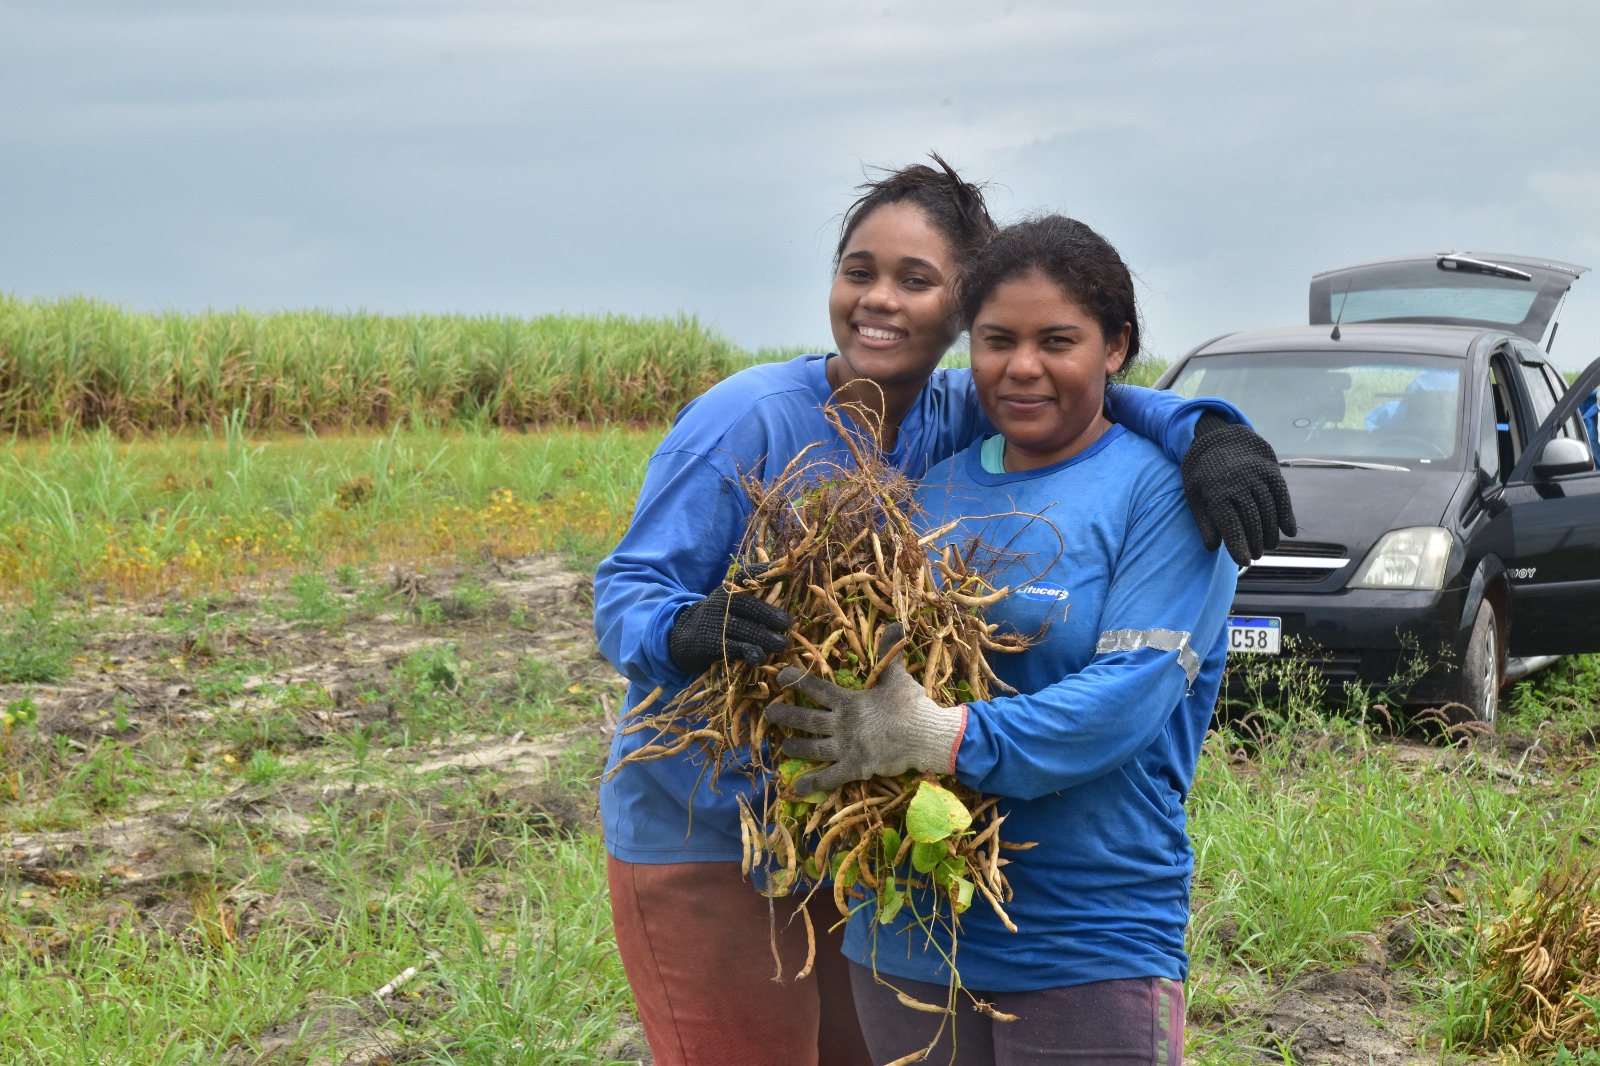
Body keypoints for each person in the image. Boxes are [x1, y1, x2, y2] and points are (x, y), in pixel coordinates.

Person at [593, 162, 1284, 1066]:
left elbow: (1091, 389)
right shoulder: (749, 418)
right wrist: (683, 632)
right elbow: (627, 591)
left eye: (915, 280)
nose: (878, 300)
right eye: (858, 270)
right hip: (711, 828)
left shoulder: (954, 415)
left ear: (961, 307)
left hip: (849, 824)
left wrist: (1209, 432)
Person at [766, 214, 1238, 1065]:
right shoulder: (926, 493)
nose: (1023, 367)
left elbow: (1127, 699)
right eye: (996, 340)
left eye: (1058, 340)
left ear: (1116, 347)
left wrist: (939, 736)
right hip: (903, 928)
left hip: (1085, 934)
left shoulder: (1163, 494)